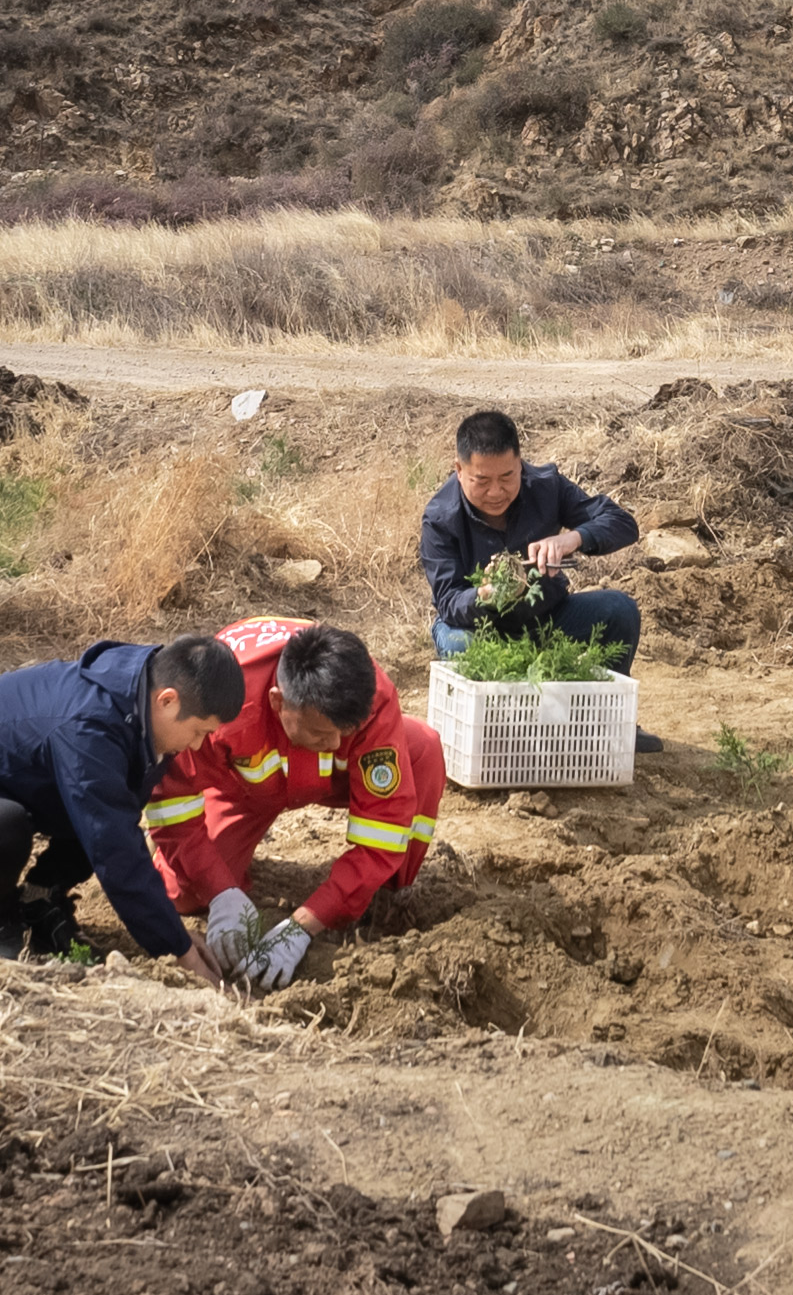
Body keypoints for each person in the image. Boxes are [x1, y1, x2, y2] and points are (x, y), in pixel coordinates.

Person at [0, 633, 242, 982]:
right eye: (198, 732)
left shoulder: (137, 703)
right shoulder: (88, 727)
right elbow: (115, 851)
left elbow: (118, 824)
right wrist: (176, 948)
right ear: (167, 700)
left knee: (112, 801)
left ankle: (40, 899)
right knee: (6, 828)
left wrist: (172, 936)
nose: (196, 746)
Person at [144, 618, 443, 992]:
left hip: (331, 778)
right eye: (321, 732)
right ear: (277, 702)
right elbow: (173, 807)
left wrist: (305, 923)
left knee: (424, 750)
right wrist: (221, 891)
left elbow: (385, 830)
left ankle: (392, 893)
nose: (335, 744)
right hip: (244, 789)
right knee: (184, 895)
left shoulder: (368, 695)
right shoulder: (221, 700)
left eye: (343, 733)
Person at [419, 407, 668, 754]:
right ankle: (495, 734)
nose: (496, 492)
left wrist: (573, 538)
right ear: (459, 470)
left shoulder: (547, 486)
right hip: (480, 629)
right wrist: (487, 593)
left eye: (507, 477)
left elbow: (622, 523)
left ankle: (610, 721)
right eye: (482, 480)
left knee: (619, 610)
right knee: (461, 644)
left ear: (520, 463)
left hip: (547, 618)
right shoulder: (440, 518)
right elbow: (448, 603)